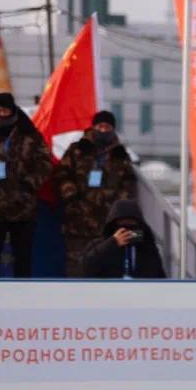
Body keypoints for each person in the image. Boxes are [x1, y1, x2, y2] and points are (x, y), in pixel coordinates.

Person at [54, 110, 137, 277]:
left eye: (107, 126)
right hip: (78, 219)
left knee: (106, 264)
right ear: (93, 127)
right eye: (100, 126)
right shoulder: (77, 149)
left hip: (107, 223)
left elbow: (128, 183)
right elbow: (61, 174)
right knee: (76, 265)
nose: (103, 130)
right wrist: (71, 195)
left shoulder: (120, 155)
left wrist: (119, 207)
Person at [0, 93, 52, 278]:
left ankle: (24, 297)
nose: (1, 113)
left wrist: (30, 183)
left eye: (5, 109)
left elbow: (45, 163)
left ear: (12, 110)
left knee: (23, 258)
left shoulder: (29, 133)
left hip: (23, 207)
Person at [80, 200, 166, 279]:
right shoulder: (98, 245)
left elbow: (159, 277)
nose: (126, 229)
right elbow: (86, 268)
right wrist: (112, 243)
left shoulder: (147, 248)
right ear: (112, 225)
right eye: (122, 223)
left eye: (131, 223)